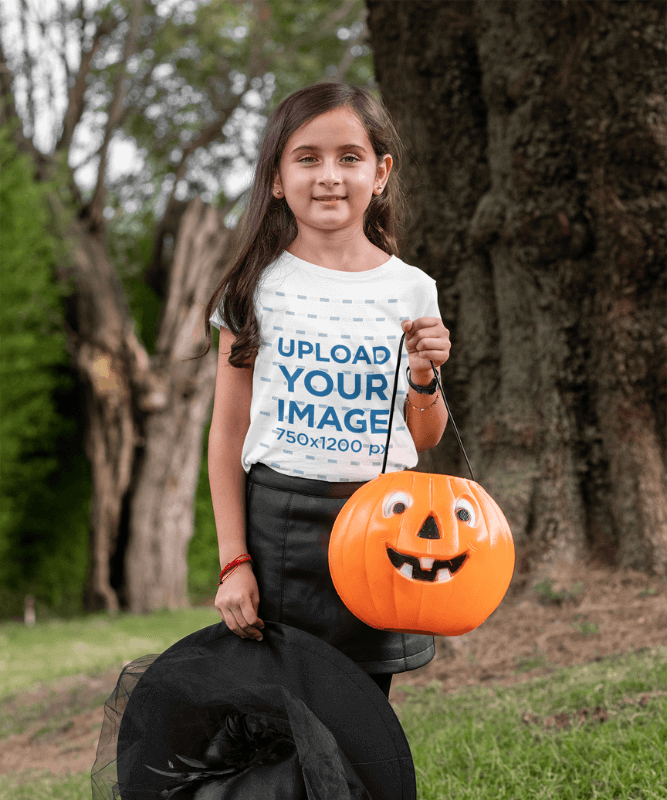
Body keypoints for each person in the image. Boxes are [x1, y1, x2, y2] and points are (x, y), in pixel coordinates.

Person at [201, 82, 451, 700]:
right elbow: (228, 434)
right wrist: (235, 561)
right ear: (279, 179)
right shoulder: (253, 288)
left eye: (349, 157)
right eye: (307, 158)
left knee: (364, 713)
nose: (329, 176)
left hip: (382, 524)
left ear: (381, 172)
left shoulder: (413, 289)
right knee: (280, 719)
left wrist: (425, 375)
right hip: (279, 526)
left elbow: (424, 435)